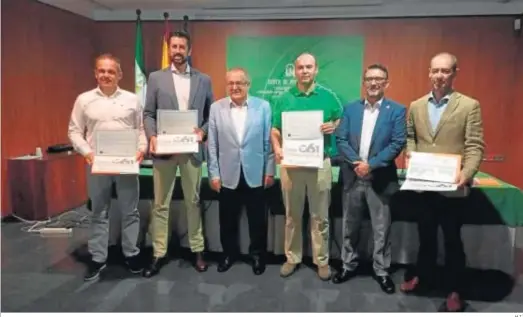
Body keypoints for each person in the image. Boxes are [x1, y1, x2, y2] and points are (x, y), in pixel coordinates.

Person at [400, 52, 485, 312]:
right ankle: (422, 277)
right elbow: (411, 136)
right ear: (429, 73)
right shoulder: (416, 106)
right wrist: (410, 153)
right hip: (424, 185)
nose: (439, 76)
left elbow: (475, 146)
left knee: (452, 241)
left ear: (454, 73)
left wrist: (466, 174)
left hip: (453, 187)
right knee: (425, 237)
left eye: (445, 71)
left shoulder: (469, 105)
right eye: (435, 71)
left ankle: (454, 290)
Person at [68, 53, 147, 281]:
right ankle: (98, 258)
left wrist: (141, 148)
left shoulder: (133, 99)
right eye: (102, 71)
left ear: (119, 75)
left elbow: (140, 129)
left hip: (126, 164)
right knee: (98, 212)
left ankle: (131, 254)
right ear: (95, 73)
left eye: (111, 71)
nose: (106, 75)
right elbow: (74, 131)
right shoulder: (83, 100)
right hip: (97, 164)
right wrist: (87, 152)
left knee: (130, 211)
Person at [142, 30, 214, 277]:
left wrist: (202, 133)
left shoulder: (204, 80)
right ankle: (158, 252)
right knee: (160, 204)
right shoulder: (155, 78)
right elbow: (148, 113)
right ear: (169, 49)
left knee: (193, 202)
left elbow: (209, 115)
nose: (177, 51)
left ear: (189, 50)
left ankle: (198, 249)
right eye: (174, 46)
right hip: (164, 151)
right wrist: (151, 136)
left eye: (182, 47)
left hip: (192, 151)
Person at [334, 64, 406, 294]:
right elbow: (341, 139)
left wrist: (371, 165)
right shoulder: (350, 109)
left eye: (379, 79)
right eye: (369, 79)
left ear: (387, 83)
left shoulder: (396, 110)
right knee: (349, 225)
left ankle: (382, 271)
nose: (373, 83)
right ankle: (348, 264)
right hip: (352, 176)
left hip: (380, 178)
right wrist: (358, 164)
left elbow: (397, 143)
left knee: (381, 228)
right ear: (364, 82)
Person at [271, 53, 342, 281]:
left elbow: (340, 120)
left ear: (316, 70)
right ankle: (292, 257)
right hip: (291, 164)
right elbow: (275, 130)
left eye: (308, 67)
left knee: (320, 216)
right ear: (295, 71)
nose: (304, 71)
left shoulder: (328, 97)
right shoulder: (284, 98)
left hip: (319, 163)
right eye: (300, 67)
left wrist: (333, 126)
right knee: (292, 216)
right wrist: (277, 148)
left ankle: (322, 261)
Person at [207, 67, 274, 275]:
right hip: (227, 175)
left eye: (240, 83)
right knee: (227, 220)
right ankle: (228, 254)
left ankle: (257, 256)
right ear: (226, 85)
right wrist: (214, 173)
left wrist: (269, 170)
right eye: (231, 83)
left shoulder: (263, 107)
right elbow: (212, 145)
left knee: (257, 221)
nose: (235, 87)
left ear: (248, 85)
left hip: (256, 173)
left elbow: (267, 143)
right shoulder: (216, 108)